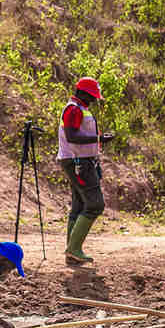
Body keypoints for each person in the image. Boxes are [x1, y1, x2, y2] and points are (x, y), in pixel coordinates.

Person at [58, 76, 114, 266]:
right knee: (95, 204)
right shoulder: (74, 109)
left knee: (80, 205)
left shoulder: (78, 108)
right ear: (81, 93)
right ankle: (73, 248)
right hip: (78, 163)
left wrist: (97, 139)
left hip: (79, 161)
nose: (93, 100)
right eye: (91, 96)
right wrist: (98, 139)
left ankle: (72, 252)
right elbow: (72, 136)